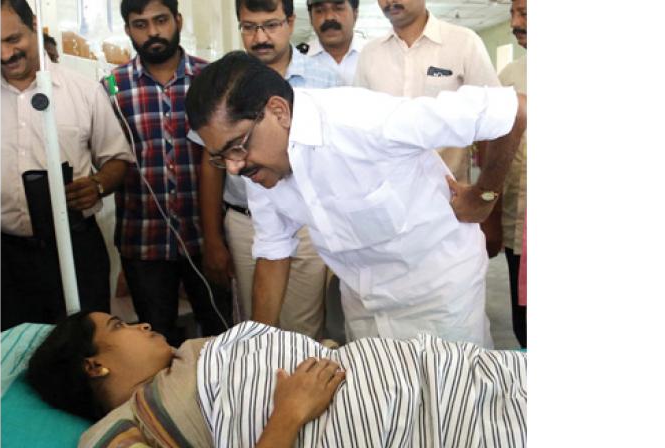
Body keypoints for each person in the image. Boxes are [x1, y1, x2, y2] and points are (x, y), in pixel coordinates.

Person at [186, 52, 527, 347]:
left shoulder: (366, 121)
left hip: (439, 300)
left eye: (237, 146)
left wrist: (485, 196)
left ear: (279, 111)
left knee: (453, 410)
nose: (232, 168)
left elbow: (515, 111)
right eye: (221, 156)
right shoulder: (260, 168)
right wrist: (259, 345)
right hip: (364, 306)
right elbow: (273, 251)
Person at [27, 311, 527, 447]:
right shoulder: (121, 432)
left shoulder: (187, 358)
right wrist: (289, 413)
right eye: (118, 327)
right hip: (401, 419)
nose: (139, 324)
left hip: (416, 373)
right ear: (95, 365)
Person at [198, 0, 340, 340]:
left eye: (271, 25)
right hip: (245, 220)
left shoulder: (326, 78)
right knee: (255, 322)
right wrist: (213, 238)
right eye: (249, 27)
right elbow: (211, 164)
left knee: (305, 326)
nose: (260, 37)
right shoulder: (221, 84)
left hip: (309, 220)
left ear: (290, 22)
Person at [104, 0, 231, 346]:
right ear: (128, 30)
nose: (153, 32)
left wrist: (217, 242)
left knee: (221, 333)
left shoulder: (211, 78)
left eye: (160, 20)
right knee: (156, 341)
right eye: (140, 24)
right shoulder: (111, 88)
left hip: (206, 239)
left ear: (177, 20)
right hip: (143, 242)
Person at [0, 0, 132, 330]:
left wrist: (99, 185)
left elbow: (118, 159)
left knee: (84, 351)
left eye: (13, 39)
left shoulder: (83, 91)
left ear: (34, 24)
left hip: (76, 248)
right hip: (4, 256)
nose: (4, 54)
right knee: (13, 357)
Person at [353, 0, 501, 184]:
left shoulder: (464, 43)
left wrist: (485, 194)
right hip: (387, 194)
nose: (390, 1)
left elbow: (495, 123)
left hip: (449, 195)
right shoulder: (370, 54)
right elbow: (359, 127)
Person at [484, 0, 527, 347]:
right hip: (519, 226)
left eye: (525, 13)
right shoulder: (509, 77)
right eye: (513, 13)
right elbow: (491, 151)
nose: (515, 22)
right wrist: (492, 217)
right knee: (525, 323)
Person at [305, 0, 366, 86]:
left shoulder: (375, 56)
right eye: (320, 10)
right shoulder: (297, 60)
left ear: (355, 14)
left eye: (338, 9)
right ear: (310, 18)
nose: (329, 17)